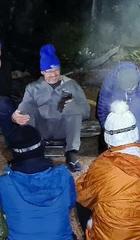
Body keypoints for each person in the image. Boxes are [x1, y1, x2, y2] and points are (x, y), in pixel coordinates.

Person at [76, 101, 140, 240]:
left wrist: (83, 179)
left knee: (81, 203)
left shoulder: (104, 164)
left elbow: (84, 195)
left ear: (108, 137)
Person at [0, 125, 78, 240]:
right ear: (42, 147)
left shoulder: (5, 184)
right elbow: (70, 204)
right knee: (69, 234)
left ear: (13, 154)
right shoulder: (64, 176)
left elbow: (2, 210)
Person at [12, 44, 90, 172]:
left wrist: (73, 105)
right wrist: (15, 116)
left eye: (56, 70)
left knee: (73, 107)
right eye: (49, 71)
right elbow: (23, 108)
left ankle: (71, 154)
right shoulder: (33, 87)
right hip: (41, 128)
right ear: (42, 72)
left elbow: (86, 111)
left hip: (64, 127)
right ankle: (31, 154)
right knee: (28, 109)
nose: (53, 74)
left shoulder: (71, 85)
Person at [97, 62, 140, 146]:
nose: (130, 91)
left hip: (137, 102)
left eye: (132, 88)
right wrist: (110, 133)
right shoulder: (110, 81)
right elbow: (102, 110)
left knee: (138, 107)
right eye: (128, 89)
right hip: (117, 101)